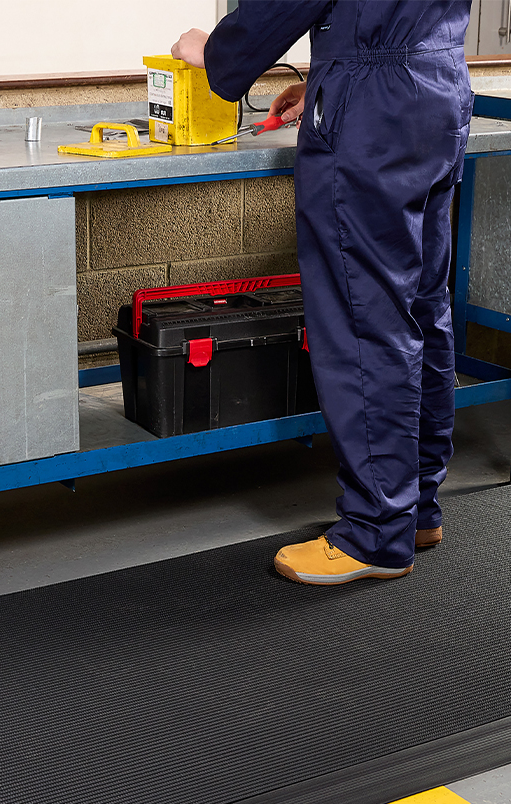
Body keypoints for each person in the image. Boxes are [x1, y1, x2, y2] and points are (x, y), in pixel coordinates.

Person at [172, 1, 472, 586]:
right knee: (420, 308)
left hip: (371, 118)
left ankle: (375, 532)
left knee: (364, 322)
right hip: (437, 90)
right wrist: (329, 76)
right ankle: (415, 511)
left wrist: (211, 51)